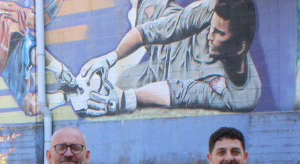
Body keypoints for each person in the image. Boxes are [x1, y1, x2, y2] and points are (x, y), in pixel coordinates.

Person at [75, 0, 260, 115]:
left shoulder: (242, 96)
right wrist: (111, 57)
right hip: (158, 21)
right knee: (150, 8)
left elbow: (181, 92)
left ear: (239, 47)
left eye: (218, 33)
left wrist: (125, 99)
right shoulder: (211, 9)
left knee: (122, 83)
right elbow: (153, 30)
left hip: (157, 77)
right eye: (210, 28)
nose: (210, 35)